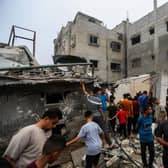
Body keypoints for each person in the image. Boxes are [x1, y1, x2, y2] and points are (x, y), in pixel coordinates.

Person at [81, 81, 112, 146]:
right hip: (98, 116)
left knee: (92, 130)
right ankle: (109, 143)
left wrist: (83, 84)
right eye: (99, 91)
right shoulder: (98, 100)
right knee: (104, 129)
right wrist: (103, 117)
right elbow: (100, 109)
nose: (100, 92)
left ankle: (93, 143)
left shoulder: (88, 97)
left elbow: (84, 91)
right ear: (97, 92)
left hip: (90, 117)